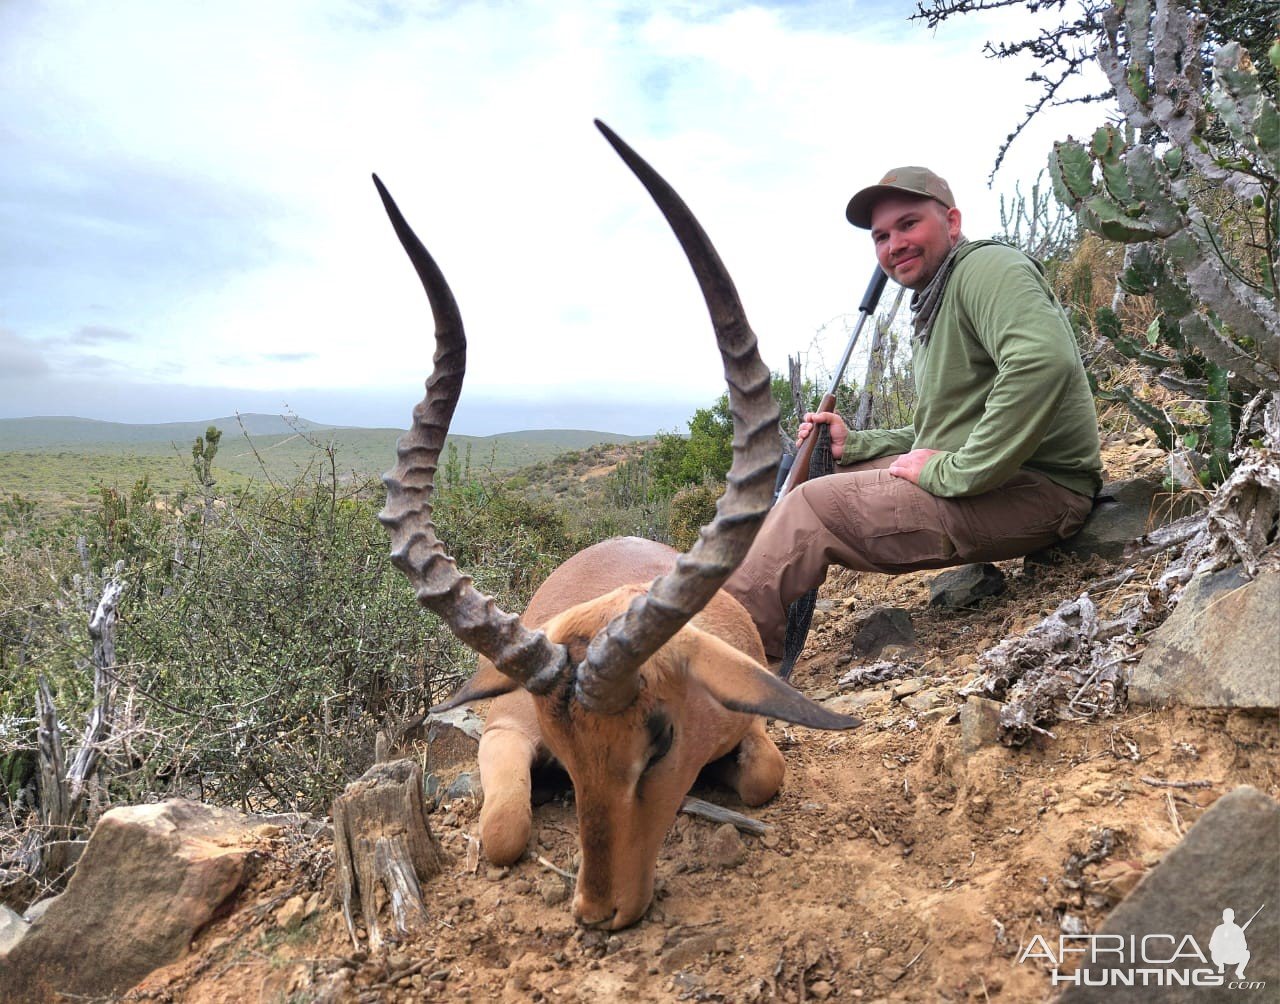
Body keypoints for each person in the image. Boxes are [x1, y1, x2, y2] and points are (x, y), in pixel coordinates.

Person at [725, 166, 1103, 662]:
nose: (894, 244)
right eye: (881, 236)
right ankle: (739, 618)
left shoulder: (987, 268)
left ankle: (729, 660)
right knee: (807, 463)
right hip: (999, 480)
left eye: (908, 224)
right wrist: (854, 444)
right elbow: (944, 423)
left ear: (951, 221)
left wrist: (958, 471)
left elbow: (1041, 363)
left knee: (809, 511)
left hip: (1042, 489)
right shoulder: (936, 297)